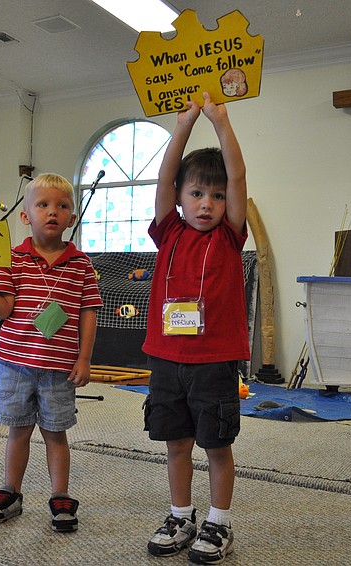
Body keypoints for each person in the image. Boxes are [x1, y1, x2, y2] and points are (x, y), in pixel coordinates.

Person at [0, 173, 102, 532]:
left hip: (59, 368)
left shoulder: (81, 265)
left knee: (55, 433)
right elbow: (3, 310)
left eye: (62, 206)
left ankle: (60, 495)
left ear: (72, 218)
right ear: (26, 215)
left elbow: (88, 311)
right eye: (43, 204)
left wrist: (84, 357)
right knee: (18, 431)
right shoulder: (12, 259)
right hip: (15, 364)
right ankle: (11, 491)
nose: (53, 212)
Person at [142, 92, 249, 564]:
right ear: (181, 199)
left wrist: (221, 122)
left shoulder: (230, 235)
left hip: (214, 364)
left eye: (218, 195)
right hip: (167, 360)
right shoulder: (168, 230)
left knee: (217, 445)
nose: (207, 204)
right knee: (176, 443)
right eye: (197, 194)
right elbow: (166, 175)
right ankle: (180, 515)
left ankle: (218, 523)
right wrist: (183, 123)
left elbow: (239, 174)